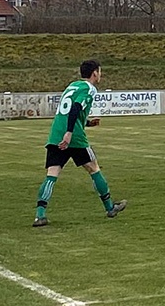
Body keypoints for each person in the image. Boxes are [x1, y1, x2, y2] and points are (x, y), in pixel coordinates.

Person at [33, 60, 127, 227]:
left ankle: (40, 216)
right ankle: (110, 207)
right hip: (73, 137)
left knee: (52, 174)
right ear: (95, 73)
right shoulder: (89, 88)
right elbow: (75, 108)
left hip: (56, 134)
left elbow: (68, 112)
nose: (100, 74)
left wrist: (87, 123)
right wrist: (69, 133)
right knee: (93, 168)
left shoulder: (73, 86)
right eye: (100, 71)